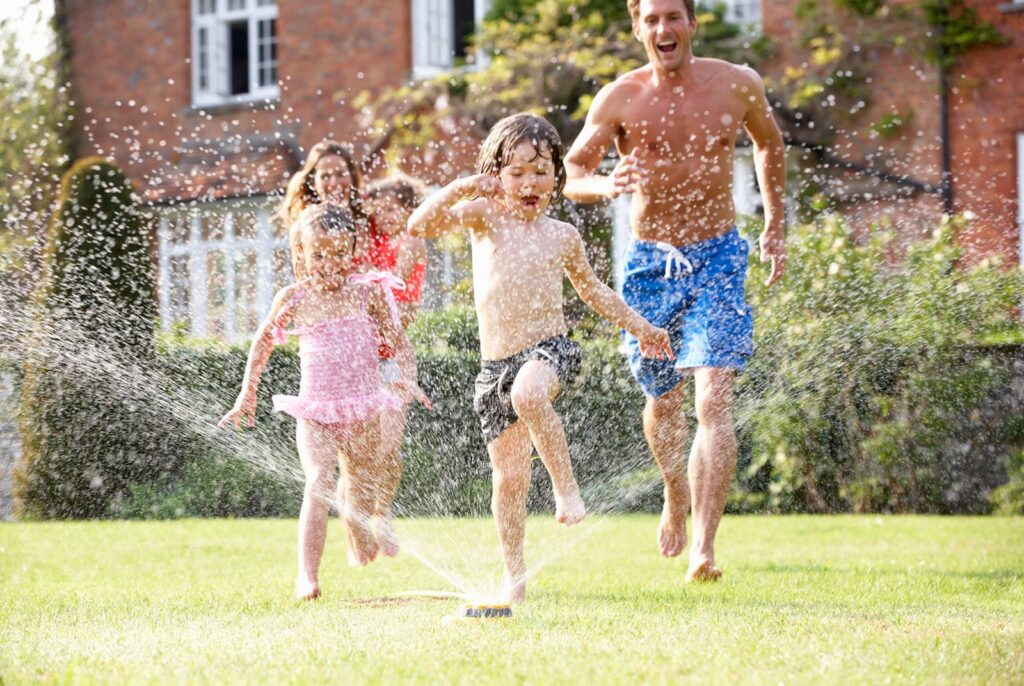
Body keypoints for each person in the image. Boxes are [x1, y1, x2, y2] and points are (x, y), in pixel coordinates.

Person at [562, 0, 787, 582]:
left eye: (673, 17)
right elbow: (573, 174)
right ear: (638, 28)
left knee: (713, 399)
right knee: (664, 400)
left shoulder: (737, 83)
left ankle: (704, 549)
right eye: (652, 19)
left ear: (692, 23)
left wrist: (774, 223)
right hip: (650, 263)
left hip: (718, 255)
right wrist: (607, 183)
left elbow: (769, 144)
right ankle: (673, 489)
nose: (663, 28)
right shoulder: (620, 98)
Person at [408, 113, 674, 602]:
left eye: (541, 171)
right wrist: (463, 187)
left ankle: (566, 489)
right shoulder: (483, 216)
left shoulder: (562, 235)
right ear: (496, 176)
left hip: (549, 350)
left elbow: (594, 291)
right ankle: (514, 576)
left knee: (529, 393)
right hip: (495, 367)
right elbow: (418, 224)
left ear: (557, 175)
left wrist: (642, 327)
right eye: (517, 173)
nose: (530, 183)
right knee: (509, 479)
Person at [219, 203, 421, 600]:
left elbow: (399, 342)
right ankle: (306, 577)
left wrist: (407, 379)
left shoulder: (366, 293)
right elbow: (262, 342)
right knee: (318, 483)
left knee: (360, 491)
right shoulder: (295, 297)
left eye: (339, 254)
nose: (330, 264)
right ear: (301, 253)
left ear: (353, 251)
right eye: (319, 255)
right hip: (316, 412)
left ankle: (359, 532)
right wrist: (248, 391)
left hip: (363, 410)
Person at [278, 139, 367, 281]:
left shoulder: (370, 220)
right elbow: (304, 283)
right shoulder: (302, 229)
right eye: (325, 176)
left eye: (341, 174)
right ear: (313, 182)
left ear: (352, 177)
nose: (334, 183)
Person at [366, 174, 430, 330]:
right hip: (386, 304)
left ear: (409, 210)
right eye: (378, 212)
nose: (383, 217)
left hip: (403, 307)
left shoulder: (411, 240)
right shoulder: (384, 239)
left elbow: (398, 279)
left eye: (390, 210)